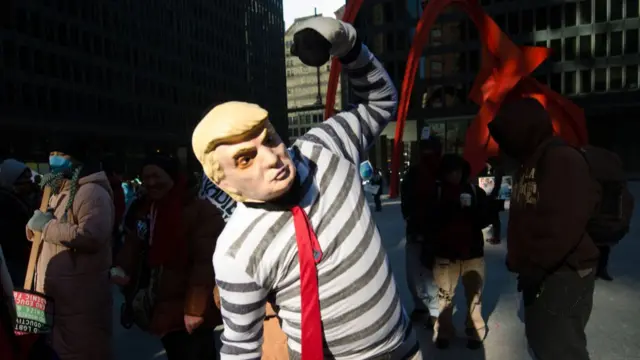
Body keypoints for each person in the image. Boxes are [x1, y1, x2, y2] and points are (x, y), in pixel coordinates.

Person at [192, 17, 420, 360]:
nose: (271, 157)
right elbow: (240, 349)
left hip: (403, 346)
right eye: (244, 159)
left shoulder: (323, 148)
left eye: (269, 137)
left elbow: (381, 104)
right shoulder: (236, 251)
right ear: (221, 180)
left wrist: (351, 48)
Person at [488, 98, 599, 360]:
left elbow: (563, 226)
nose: (505, 146)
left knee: (561, 350)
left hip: (564, 275)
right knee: (542, 344)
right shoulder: (528, 163)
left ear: (526, 130)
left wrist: (535, 266)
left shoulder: (561, 160)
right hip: (540, 273)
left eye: (509, 137)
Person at [112, 155, 224, 360]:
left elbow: (205, 264)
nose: (151, 182)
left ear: (173, 176)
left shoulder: (200, 210)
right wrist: (122, 267)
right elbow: (133, 243)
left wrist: (195, 309)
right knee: (176, 351)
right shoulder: (144, 208)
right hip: (160, 301)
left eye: (156, 175)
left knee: (197, 354)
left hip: (189, 306)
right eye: (146, 177)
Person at [25, 142, 114, 360]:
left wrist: (46, 227)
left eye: (61, 153)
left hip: (79, 297)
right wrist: (34, 227)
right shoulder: (56, 190)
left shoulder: (92, 192)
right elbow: (46, 236)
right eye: (51, 153)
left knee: (79, 350)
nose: (54, 158)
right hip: (53, 293)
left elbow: (92, 236)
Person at [425, 154, 503, 350]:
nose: (455, 175)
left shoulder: (474, 192)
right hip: (445, 254)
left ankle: (475, 330)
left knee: (474, 296)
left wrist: (475, 213)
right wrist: (447, 211)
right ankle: (444, 331)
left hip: (472, 254)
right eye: (451, 171)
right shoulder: (437, 192)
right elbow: (426, 220)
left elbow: (486, 218)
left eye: (458, 171)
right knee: (445, 297)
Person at [400, 137, 442, 324]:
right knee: (416, 273)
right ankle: (422, 307)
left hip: (433, 231)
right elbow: (406, 199)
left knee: (428, 273)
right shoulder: (414, 174)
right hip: (417, 229)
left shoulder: (440, 173)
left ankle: (434, 311)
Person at [0, 159, 37, 284]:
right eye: (24, 183)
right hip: (12, 262)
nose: (29, 186)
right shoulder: (6, 203)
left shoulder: (21, 200)